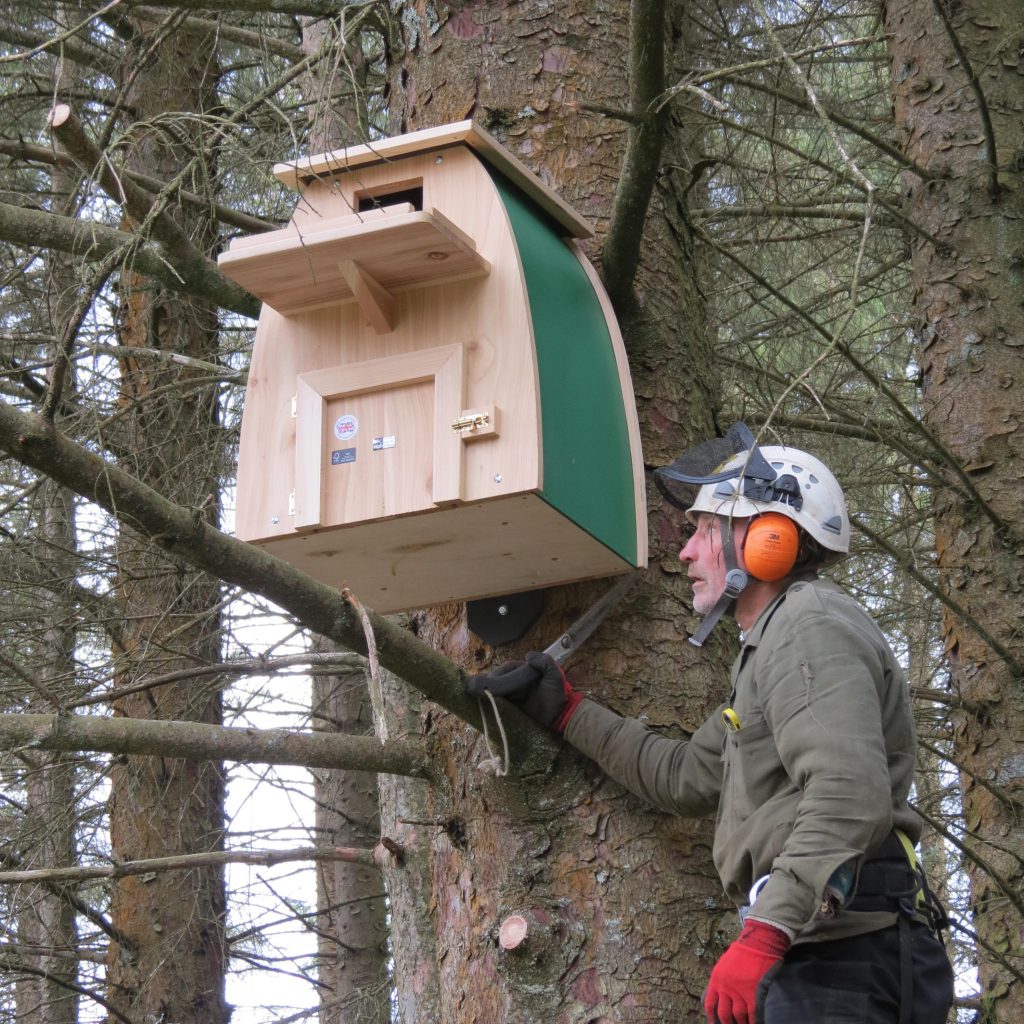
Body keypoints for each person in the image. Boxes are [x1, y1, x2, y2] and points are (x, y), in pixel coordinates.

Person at [467, 424, 954, 1024]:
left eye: (702, 530)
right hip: (827, 949)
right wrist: (565, 710)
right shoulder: (771, 646)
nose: (686, 552)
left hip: (847, 956)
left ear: (768, 540)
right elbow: (686, 776)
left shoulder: (809, 624)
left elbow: (849, 790)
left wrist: (766, 932)